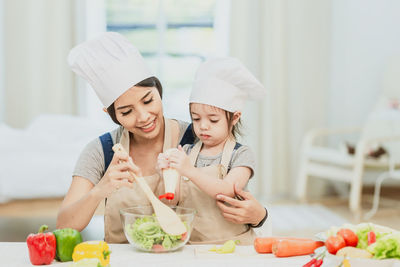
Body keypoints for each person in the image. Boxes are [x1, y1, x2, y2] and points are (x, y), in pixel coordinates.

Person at [56, 32, 267, 243]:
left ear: (158, 90)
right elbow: (64, 225)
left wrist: (259, 216)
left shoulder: (199, 139)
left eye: (148, 101)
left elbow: (232, 198)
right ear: (110, 114)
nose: (144, 117)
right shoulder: (101, 151)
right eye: (127, 112)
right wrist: (101, 189)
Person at [157, 58, 265, 245]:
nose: (203, 126)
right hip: (192, 245)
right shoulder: (188, 151)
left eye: (213, 120)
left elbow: (227, 191)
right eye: (196, 119)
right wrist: (166, 173)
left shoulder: (241, 155)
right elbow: (172, 201)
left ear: (235, 118)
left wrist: (189, 170)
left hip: (234, 245)